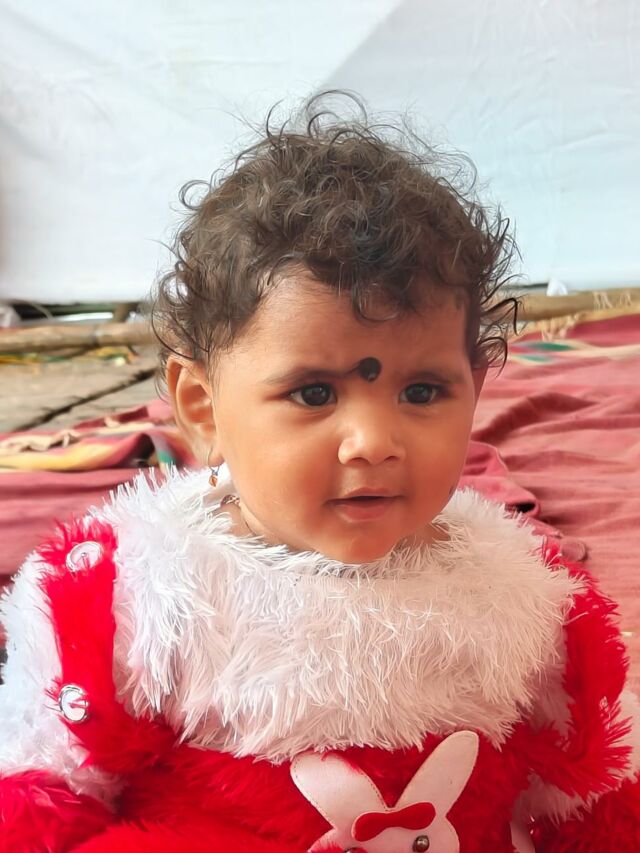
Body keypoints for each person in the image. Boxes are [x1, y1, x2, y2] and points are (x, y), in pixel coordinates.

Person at [1, 94, 638, 852]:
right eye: (313, 394)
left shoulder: (524, 598)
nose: (372, 441)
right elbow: (45, 800)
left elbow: (589, 798)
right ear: (203, 408)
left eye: (421, 392)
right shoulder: (137, 595)